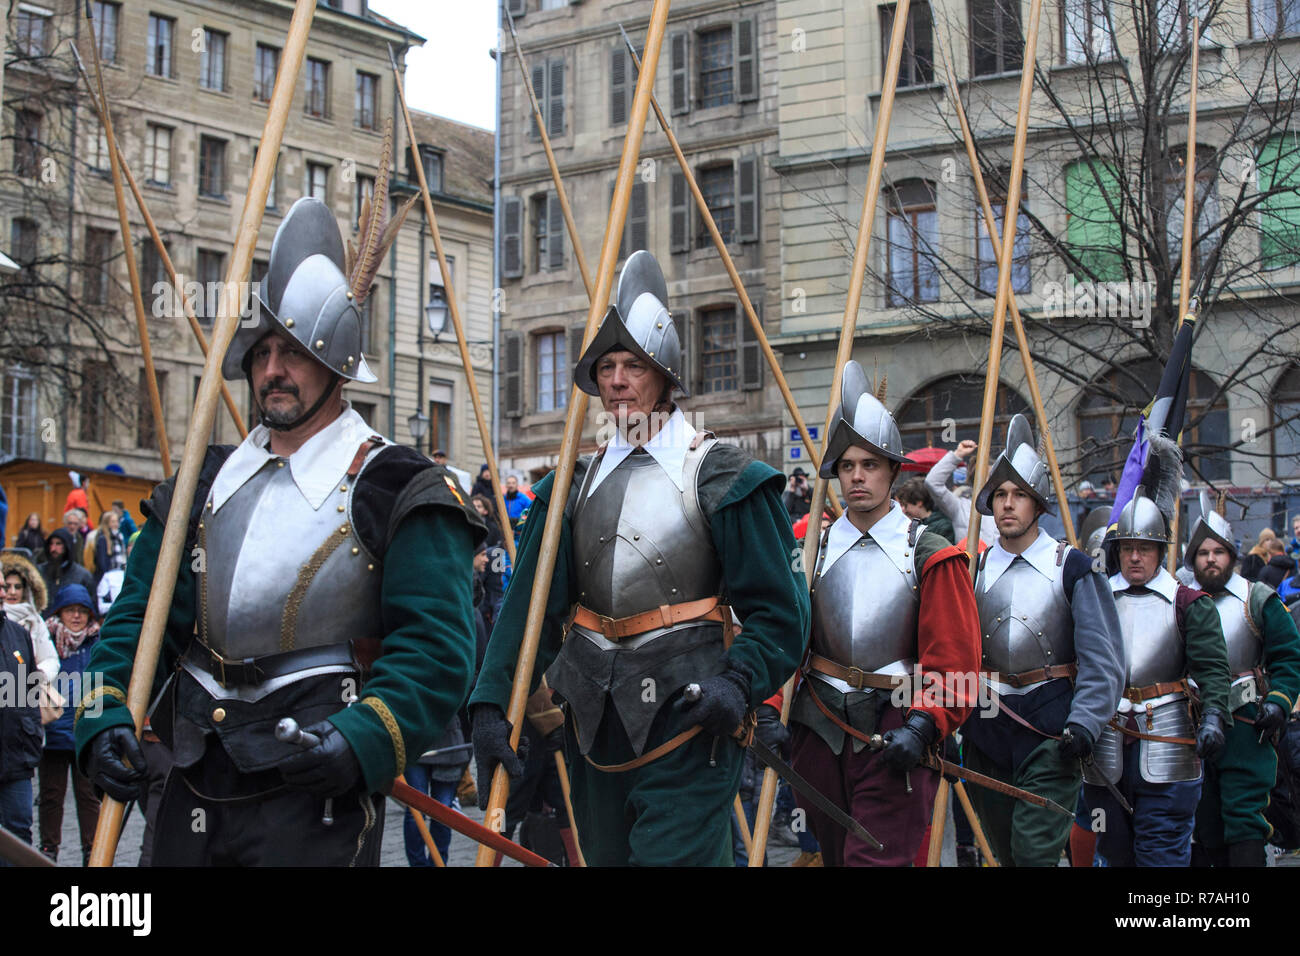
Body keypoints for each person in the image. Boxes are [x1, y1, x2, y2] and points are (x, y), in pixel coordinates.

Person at [74, 197, 485, 867]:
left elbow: (436, 650)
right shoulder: (200, 489)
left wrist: (363, 739)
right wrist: (104, 714)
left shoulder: (398, 486)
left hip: (313, 784)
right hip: (193, 779)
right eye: (262, 351)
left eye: (293, 350)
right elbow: (137, 622)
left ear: (337, 359)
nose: (272, 369)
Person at [470, 251, 809, 866]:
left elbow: (782, 613)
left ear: (664, 375)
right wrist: (495, 703)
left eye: (633, 365)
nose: (617, 380)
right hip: (591, 726)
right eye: (606, 366)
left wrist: (739, 683)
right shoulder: (568, 488)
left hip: (689, 719)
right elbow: (531, 610)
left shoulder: (725, 477)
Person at [787, 361, 981, 866]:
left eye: (870, 464)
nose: (857, 476)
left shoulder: (932, 552)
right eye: (847, 465)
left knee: (873, 861)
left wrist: (925, 725)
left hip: (898, 723)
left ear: (893, 471)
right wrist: (768, 710)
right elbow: (785, 637)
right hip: (820, 725)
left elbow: (955, 660)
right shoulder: (811, 551)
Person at [960, 415, 1125, 867]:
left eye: (1019, 496)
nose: (1007, 505)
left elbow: (1103, 659)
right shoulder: (970, 569)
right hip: (985, 726)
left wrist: (1085, 723)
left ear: (1037, 505)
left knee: (1034, 856)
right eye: (1000, 495)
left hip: (1051, 729)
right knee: (1004, 855)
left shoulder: (1072, 566)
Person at [1081, 437, 1231, 867]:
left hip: (1168, 739)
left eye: (1143, 548)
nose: (1134, 556)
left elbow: (1214, 670)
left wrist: (1216, 717)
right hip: (1105, 742)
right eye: (1127, 547)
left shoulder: (1189, 604)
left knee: (1162, 854)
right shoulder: (1096, 598)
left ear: (1159, 551)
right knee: (1112, 852)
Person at [1184, 495, 1300, 867]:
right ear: (1193, 558)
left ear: (1232, 555)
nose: (1211, 559)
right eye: (1203, 552)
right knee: (1203, 823)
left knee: (1245, 820)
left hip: (1248, 724)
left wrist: (1279, 703)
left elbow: (1288, 657)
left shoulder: (1258, 599)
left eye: (1219, 551)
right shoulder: (1178, 600)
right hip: (1189, 723)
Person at [38, 585, 102, 864]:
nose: (76, 617)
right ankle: (48, 849)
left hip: (85, 731)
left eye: (81, 611)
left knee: (88, 796)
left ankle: (93, 850)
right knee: (51, 796)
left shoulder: (97, 641)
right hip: (53, 730)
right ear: (59, 612)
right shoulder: (46, 640)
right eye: (70, 610)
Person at [0, 613, 42, 852]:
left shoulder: (18, 634)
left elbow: (30, 691)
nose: (4, 592)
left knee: (19, 833)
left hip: (17, 755)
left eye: (3, 586)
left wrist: (32, 732)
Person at [924, 439, 998, 548]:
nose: (992, 480)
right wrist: (957, 455)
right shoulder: (960, 507)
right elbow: (932, 482)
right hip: (969, 563)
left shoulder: (1004, 507)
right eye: (988, 476)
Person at [2, 552, 58, 687]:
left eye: (18, 587)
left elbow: (50, 659)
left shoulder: (35, 620)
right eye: (7, 586)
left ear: (26, 590)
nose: (12, 592)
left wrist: (38, 674)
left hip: (29, 691)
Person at [37, 528, 96, 618]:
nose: (53, 549)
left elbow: (91, 606)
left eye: (58, 544)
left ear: (67, 546)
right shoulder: (38, 572)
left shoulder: (82, 575)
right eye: (51, 544)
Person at [895, 475, 955, 543]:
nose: (903, 510)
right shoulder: (912, 523)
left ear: (919, 503)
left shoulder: (943, 527)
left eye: (905, 505)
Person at [92, 509, 126, 587]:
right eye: (113, 522)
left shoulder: (120, 537)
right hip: (108, 577)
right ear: (107, 523)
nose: (116, 524)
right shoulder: (102, 539)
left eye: (117, 521)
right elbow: (102, 561)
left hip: (119, 574)